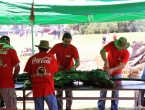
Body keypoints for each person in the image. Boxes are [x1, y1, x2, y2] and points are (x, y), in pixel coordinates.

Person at [49, 32, 80, 110]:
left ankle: (68, 108)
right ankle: (59, 108)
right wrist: (55, 66)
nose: (67, 43)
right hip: (58, 72)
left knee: (69, 92)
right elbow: (49, 57)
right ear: (62, 40)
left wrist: (74, 66)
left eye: (69, 41)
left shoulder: (73, 48)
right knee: (59, 92)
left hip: (69, 72)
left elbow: (78, 61)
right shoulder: (57, 46)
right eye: (66, 41)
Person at [24, 40, 58, 110]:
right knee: (53, 108)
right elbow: (53, 73)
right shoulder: (51, 57)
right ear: (48, 49)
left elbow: (29, 74)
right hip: (48, 86)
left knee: (39, 108)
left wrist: (33, 81)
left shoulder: (32, 58)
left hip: (37, 87)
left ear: (39, 48)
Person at [98, 37, 130, 110]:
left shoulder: (126, 53)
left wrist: (112, 69)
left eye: (121, 47)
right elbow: (102, 51)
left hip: (117, 73)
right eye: (118, 47)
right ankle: (100, 108)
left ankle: (114, 108)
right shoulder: (112, 44)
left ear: (124, 46)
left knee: (115, 92)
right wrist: (105, 61)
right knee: (103, 90)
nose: (118, 48)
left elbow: (122, 65)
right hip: (106, 71)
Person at [0, 36, 20, 109]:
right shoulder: (10, 49)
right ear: (8, 42)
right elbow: (17, 68)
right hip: (7, 82)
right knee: (11, 107)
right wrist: (14, 78)